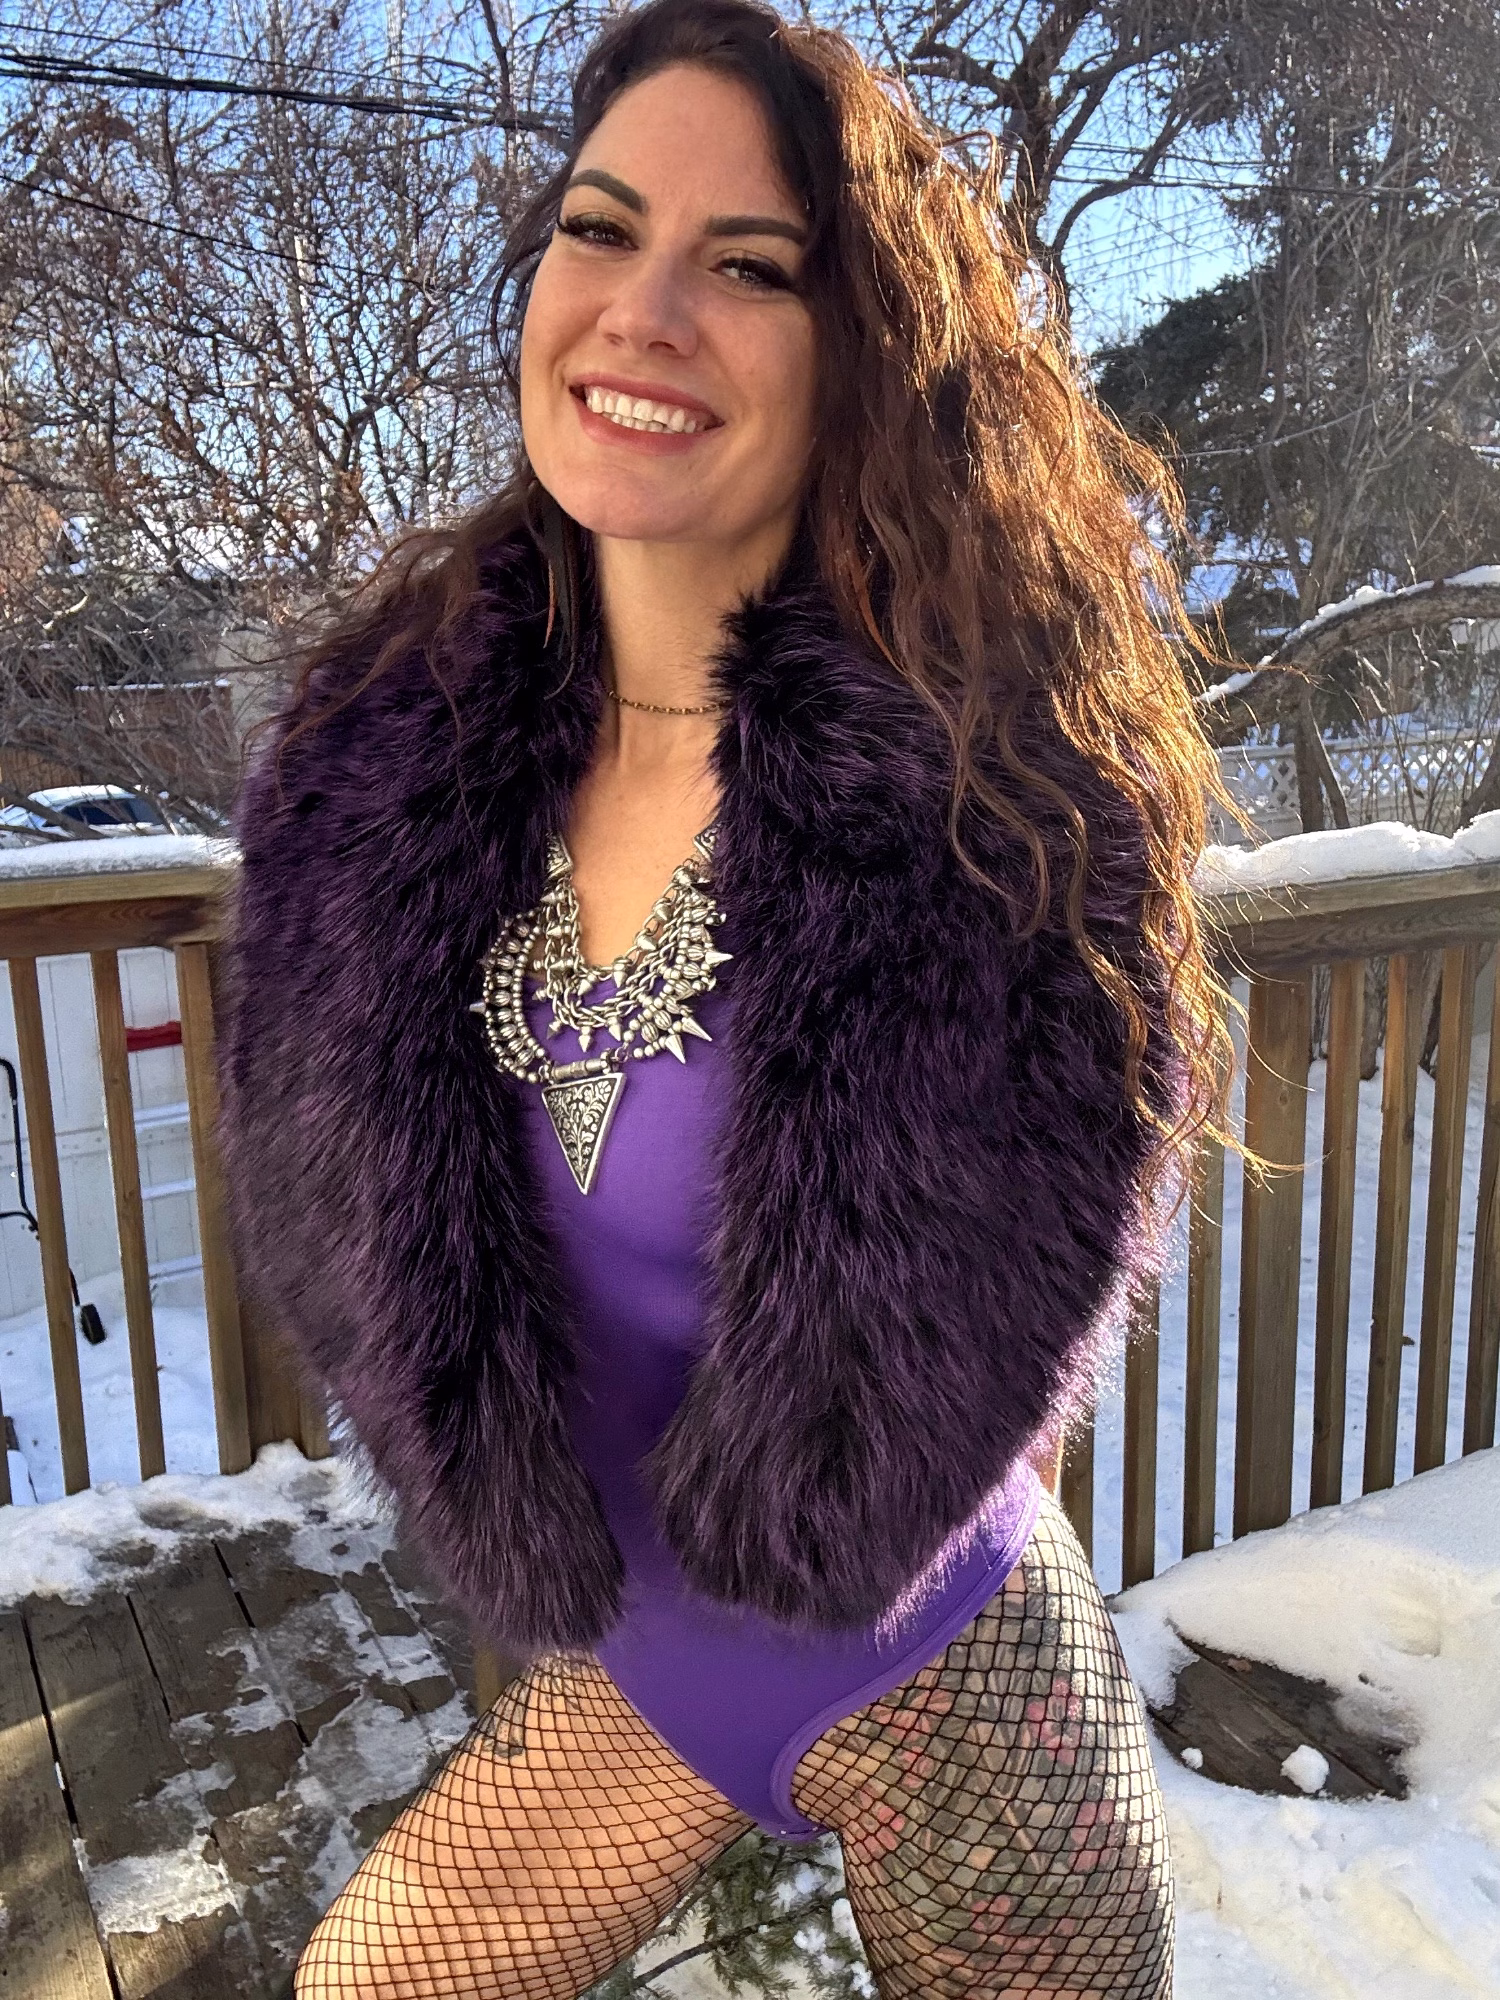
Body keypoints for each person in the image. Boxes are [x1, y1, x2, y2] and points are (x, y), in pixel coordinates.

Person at [218, 0, 1231, 1992]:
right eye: (599, 230)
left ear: (861, 347)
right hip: (644, 1674)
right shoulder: (379, 771)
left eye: (750, 265)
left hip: (962, 1692)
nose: (644, 308)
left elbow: (1034, 1251)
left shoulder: (996, 810)